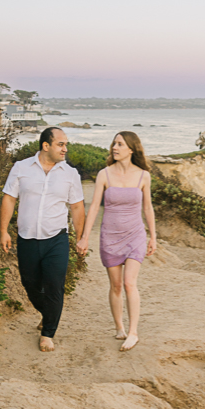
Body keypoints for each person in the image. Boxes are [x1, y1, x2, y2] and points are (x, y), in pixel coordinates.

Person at [0, 128, 85, 353]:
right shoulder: (21, 168)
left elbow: (77, 207)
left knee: (54, 286)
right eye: (60, 144)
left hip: (57, 238)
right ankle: (48, 313)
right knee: (30, 284)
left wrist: (82, 237)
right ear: (46, 146)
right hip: (27, 237)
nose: (65, 149)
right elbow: (9, 199)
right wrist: (4, 231)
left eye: (66, 144)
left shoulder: (70, 174)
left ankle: (48, 333)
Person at [76, 131, 156, 352]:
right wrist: (84, 237)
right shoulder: (104, 174)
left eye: (120, 144)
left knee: (130, 283)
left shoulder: (143, 176)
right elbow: (93, 207)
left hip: (135, 235)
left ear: (131, 149)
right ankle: (119, 327)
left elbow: (148, 208)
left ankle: (133, 332)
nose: (115, 147)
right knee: (116, 285)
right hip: (110, 237)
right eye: (114, 143)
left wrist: (153, 236)